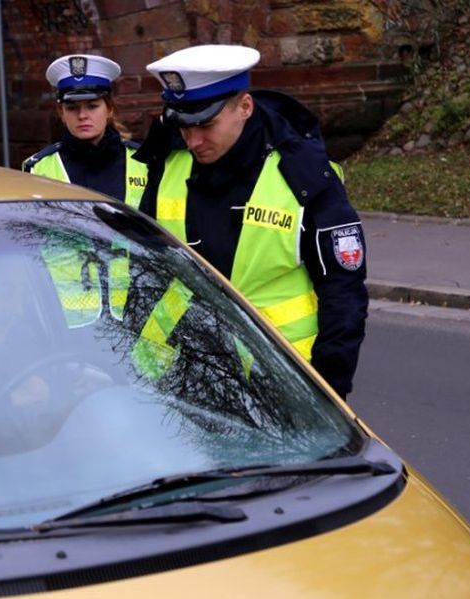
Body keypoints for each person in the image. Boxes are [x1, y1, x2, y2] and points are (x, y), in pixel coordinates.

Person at [133, 44, 367, 399]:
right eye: (183, 126)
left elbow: (344, 292)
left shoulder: (303, 175)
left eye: (205, 125)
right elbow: (146, 263)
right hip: (174, 377)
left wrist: (328, 392)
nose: (193, 140)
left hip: (279, 385)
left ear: (244, 107)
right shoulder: (168, 162)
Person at [22, 54, 147, 208]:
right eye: (72, 108)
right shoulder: (38, 167)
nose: (82, 116)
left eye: (92, 106)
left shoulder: (143, 161)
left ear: (109, 109)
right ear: (61, 113)